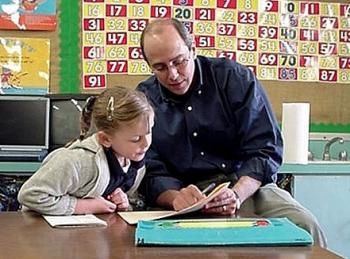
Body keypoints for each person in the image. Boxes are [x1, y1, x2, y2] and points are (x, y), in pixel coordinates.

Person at [136, 18, 326, 247]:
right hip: (182, 196)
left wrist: (236, 195)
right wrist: (175, 197)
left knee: (304, 225)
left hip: (246, 186)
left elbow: (265, 150)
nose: (173, 75)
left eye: (179, 61)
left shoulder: (234, 79)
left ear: (193, 50)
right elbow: (146, 169)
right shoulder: (145, 100)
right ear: (149, 65)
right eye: (161, 67)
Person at [18, 86, 154, 215]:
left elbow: (129, 202)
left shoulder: (134, 162)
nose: (146, 143)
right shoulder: (77, 161)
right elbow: (30, 195)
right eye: (136, 138)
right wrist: (88, 206)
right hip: (42, 231)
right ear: (105, 139)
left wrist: (123, 204)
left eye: (149, 133)